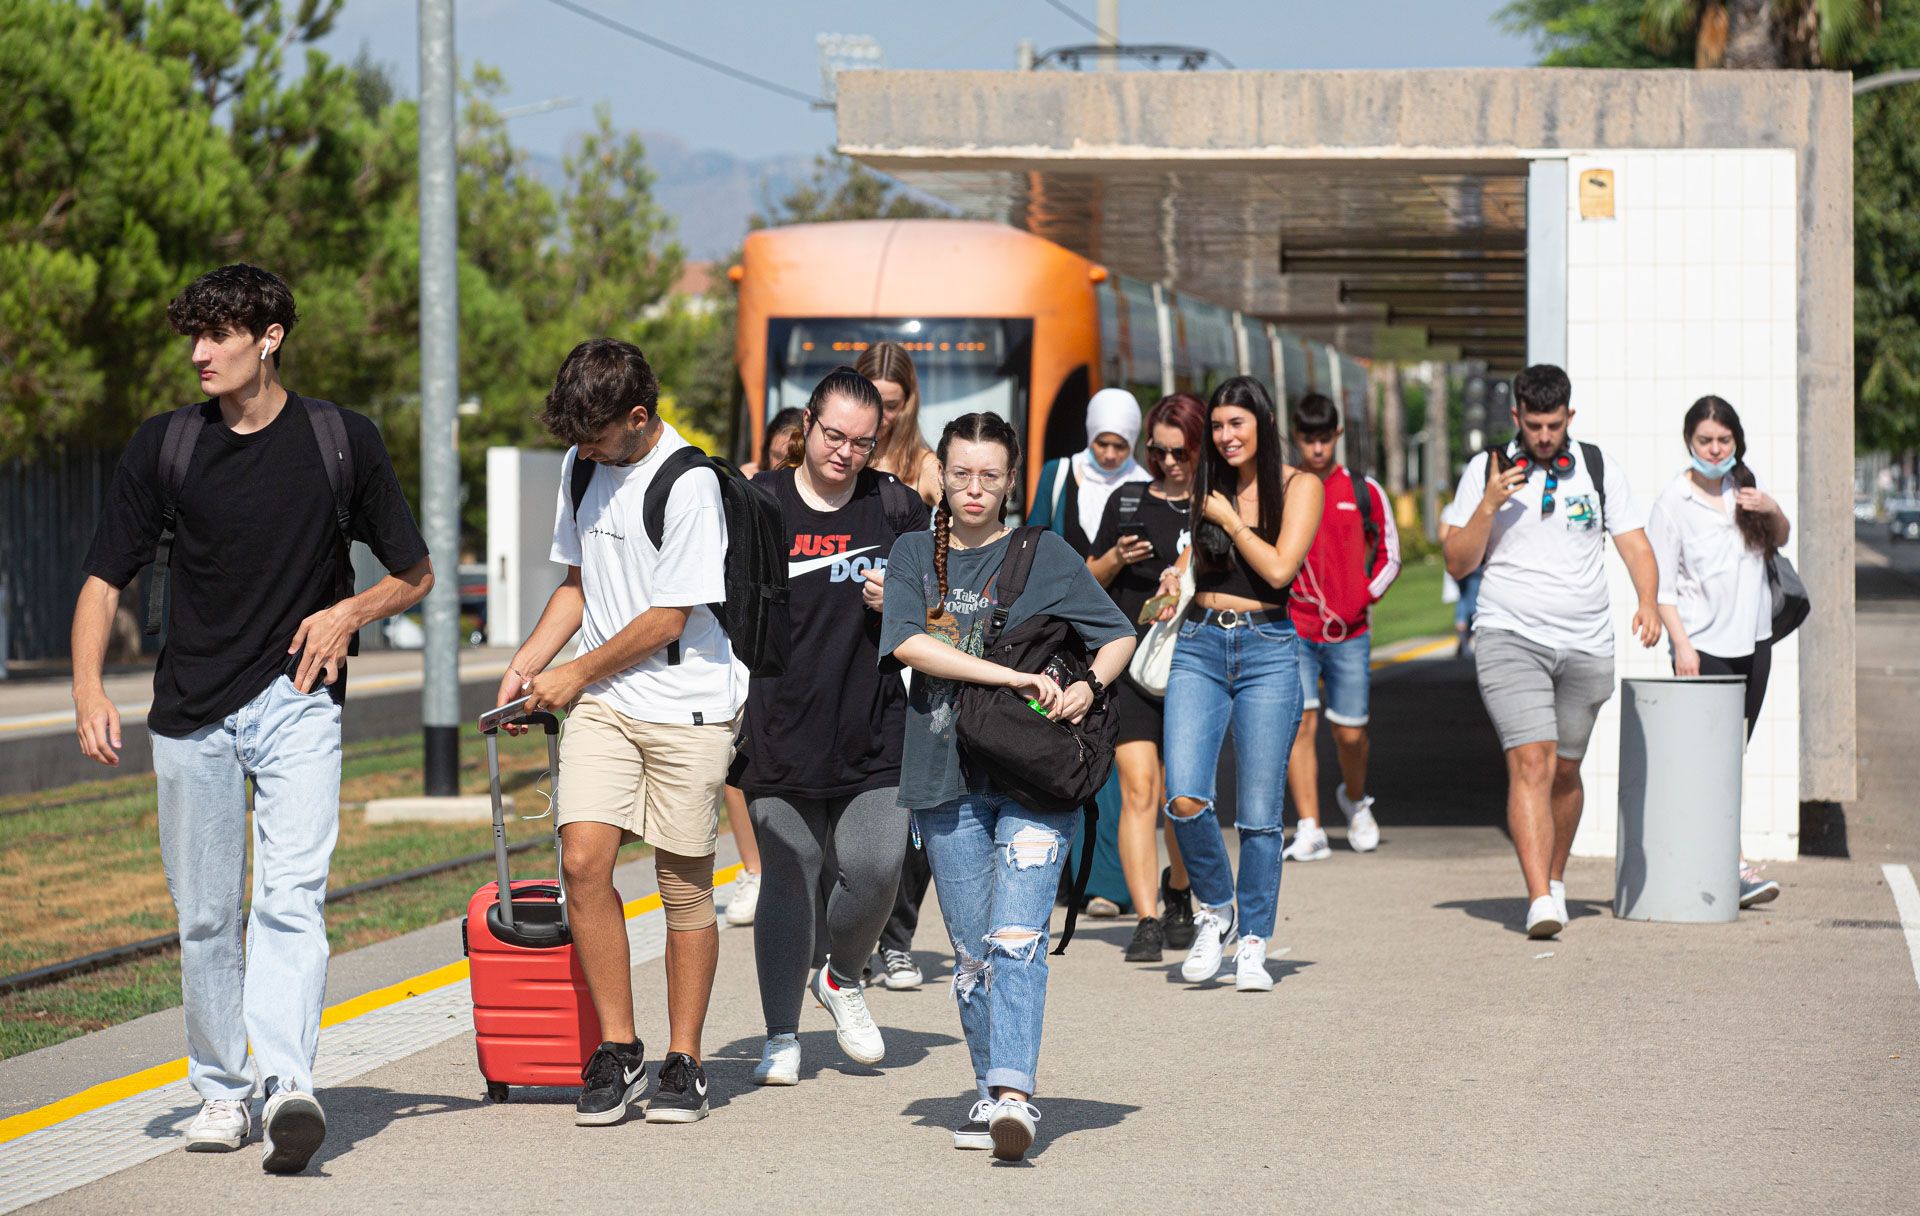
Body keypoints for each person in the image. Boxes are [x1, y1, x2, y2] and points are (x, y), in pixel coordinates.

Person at [73, 264, 433, 1172]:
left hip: (297, 699)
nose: (199, 354)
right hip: (190, 708)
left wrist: (350, 612)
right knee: (204, 915)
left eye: (218, 336)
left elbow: (414, 571)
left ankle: (287, 1085)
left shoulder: (339, 440)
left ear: (269, 338)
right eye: (193, 336)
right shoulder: (166, 446)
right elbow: (102, 576)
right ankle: (221, 1092)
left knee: (290, 895)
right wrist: (86, 689)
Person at [498, 338, 744, 1126]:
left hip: (688, 704)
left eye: (598, 437)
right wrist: (531, 660)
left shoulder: (690, 483)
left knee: (681, 883)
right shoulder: (582, 466)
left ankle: (686, 1061)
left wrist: (573, 673)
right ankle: (619, 1047)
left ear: (639, 417)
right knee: (582, 859)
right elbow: (579, 586)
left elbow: (669, 616)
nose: (586, 452)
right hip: (605, 703)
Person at [880, 412, 1135, 1161]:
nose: (974, 489)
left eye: (990, 475)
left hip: (1029, 777)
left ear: (1012, 481)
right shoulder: (911, 555)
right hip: (943, 778)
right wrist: (1008, 673)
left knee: (1017, 940)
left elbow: (1118, 632)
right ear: (940, 474)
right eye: (961, 473)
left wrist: (1088, 685)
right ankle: (991, 1089)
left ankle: (1015, 1098)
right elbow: (908, 643)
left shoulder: (1045, 553)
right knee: (971, 956)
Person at [740, 368, 928, 1085]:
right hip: (780, 727)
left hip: (873, 730)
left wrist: (907, 602)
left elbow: (944, 611)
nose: (845, 453)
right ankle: (780, 1035)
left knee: (877, 868)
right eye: (832, 436)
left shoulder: (898, 509)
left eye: (862, 442)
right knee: (791, 875)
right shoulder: (759, 506)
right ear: (805, 429)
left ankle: (842, 976)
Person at [1442, 363, 1662, 940]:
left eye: (1554, 425)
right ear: (1516, 417)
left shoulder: (1596, 467)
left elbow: (1635, 543)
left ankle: (1555, 878)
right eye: (1534, 425)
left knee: (1565, 770)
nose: (1544, 436)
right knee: (1532, 761)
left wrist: (1648, 600)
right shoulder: (1484, 470)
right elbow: (1457, 561)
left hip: (1587, 642)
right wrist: (1488, 505)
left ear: (1569, 418)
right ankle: (1539, 896)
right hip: (1510, 633)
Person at [1153, 377, 1323, 990]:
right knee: (1185, 795)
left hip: (1269, 649)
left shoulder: (1301, 486)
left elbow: (1280, 568)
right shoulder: (1209, 485)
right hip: (1199, 643)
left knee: (1258, 815)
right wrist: (1175, 577)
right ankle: (1215, 910)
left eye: (1236, 425)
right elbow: (1197, 557)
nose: (1224, 437)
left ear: (1263, 424)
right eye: (1218, 426)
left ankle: (1252, 939)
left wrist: (1227, 516)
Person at [1646, 395, 1790, 909]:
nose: (1714, 449)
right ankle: (1731, 866)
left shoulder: (1744, 490)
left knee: (1732, 756)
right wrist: (1681, 646)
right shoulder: (1672, 502)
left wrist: (1771, 508)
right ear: (1689, 442)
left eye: (1723, 440)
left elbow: (1781, 540)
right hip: (1703, 647)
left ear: (1736, 442)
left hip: (1753, 643)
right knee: (1711, 760)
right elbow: (1660, 587)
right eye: (1705, 440)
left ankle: (1714, 861)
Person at [1085, 392, 1204, 962]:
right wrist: (1118, 558)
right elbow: (1089, 578)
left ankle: (1179, 887)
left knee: (1181, 795)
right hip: (1132, 665)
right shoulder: (1128, 499)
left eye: (1180, 452)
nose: (1170, 462)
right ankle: (1149, 918)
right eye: (1159, 451)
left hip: (1195, 666)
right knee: (1139, 789)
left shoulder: (1213, 506)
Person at [1031, 387, 1153, 917]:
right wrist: (1103, 563)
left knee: (1111, 754)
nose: (1108, 454)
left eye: (1119, 445)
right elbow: (1032, 541)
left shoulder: (1146, 487)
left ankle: (1109, 882)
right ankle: (1067, 872)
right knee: (1060, 750)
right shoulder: (1059, 475)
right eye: (1102, 442)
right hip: (1057, 638)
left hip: (1119, 640)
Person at [1283, 393, 1402, 863]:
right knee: (1301, 726)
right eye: (1308, 439)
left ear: (1337, 436)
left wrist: (1362, 596)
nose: (1316, 448)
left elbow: (1390, 553)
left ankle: (1355, 800)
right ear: (1297, 438)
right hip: (1295, 629)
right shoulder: (1285, 489)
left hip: (1350, 633)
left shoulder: (1363, 490)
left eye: (1324, 438)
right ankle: (1310, 826)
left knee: (1350, 733)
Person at [858, 341, 943, 506]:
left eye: (891, 406)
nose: (879, 416)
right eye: (870, 402)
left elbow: (964, 522)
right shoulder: (837, 457)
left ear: (907, 404)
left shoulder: (925, 465)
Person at [736, 406, 804, 479]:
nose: (781, 466)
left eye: (792, 460)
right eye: (777, 456)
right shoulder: (751, 477)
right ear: (766, 450)